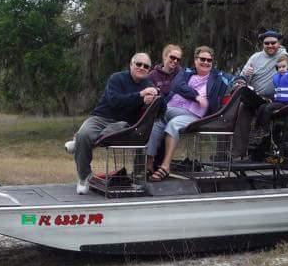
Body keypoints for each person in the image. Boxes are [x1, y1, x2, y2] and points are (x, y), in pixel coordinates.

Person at [66, 52, 159, 194]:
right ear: (131, 65)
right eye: (138, 64)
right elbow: (115, 102)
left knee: (117, 128)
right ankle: (84, 177)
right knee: (84, 134)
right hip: (101, 118)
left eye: (146, 66)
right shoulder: (117, 78)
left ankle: (78, 141)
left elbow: (161, 108)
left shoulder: (149, 84)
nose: (141, 67)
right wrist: (140, 96)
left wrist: (156, 96)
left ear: (149, 69)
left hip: (124, 124)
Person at [146, 45, 234, 181]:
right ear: (195, 60)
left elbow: (235, 79)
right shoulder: (186, 73)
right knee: (155, 121)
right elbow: (176, 85)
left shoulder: (218, 77)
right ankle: (149, 163)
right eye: (202, 59)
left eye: (209, 60)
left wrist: (242, 80)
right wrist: (196, 96)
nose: (205, 62)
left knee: (173, 124)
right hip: (171, 109)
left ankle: (165, 166)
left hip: (194, 116)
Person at [255, 53, 288, 129]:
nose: (281, 69)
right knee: (261, 107)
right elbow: (278, 92)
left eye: (283, 66)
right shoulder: (277, 77)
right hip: (281, 102)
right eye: (279, 67)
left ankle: (265, 129)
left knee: (268, 108)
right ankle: (257, 127)